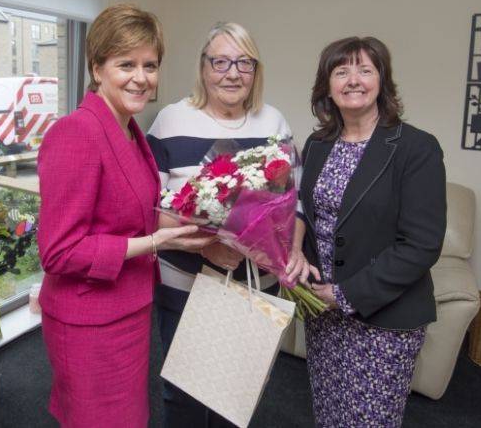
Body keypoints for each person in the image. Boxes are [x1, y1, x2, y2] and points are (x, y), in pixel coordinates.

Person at [36, 3, 211, 428]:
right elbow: (59, 252)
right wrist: (159, 242)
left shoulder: (130, 130)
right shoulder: (76, 132)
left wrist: (202, 217)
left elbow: (130, 215)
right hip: (89, 322)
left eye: (150, 65)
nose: (141, 77)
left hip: (128, 309)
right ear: (97, 68)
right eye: (126, 64)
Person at [292, 36, 447, 428]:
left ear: (383, 80)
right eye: (341, 71)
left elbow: (421, 244)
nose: (353, 79)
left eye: (365, 69)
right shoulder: (317, 144)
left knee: (370, 421)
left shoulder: (417, 148)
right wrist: (298, 263)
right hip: (322, 313)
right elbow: (305, 217)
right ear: (327, 86)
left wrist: (343, 294)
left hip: (382, 316)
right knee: (328, 413)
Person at [146, 22, 294, 428]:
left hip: (254, 287)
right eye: (221, 61)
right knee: (185, 397)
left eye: (244, 62)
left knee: (238, 396)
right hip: (185, 285)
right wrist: (207, 246)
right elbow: (151, 211)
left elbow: (290, 208)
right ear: (204, 67)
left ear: (256, 70)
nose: (232, 73)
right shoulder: (170, 121)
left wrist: (283, 249)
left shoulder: (274, 122)